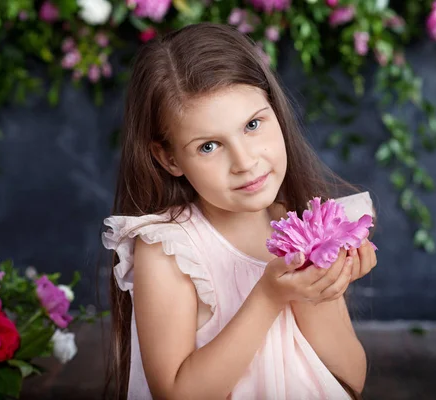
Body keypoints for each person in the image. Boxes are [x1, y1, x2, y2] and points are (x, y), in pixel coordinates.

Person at [101, 22, 377, 400]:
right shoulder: (169, 250)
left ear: (274, 110)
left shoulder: (297, 222)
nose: (245, 162)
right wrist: (268, 298)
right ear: (169, 158)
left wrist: (318, 289)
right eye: (209, 147)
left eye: (252, 125)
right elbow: (177, 394)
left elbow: (349, 378)